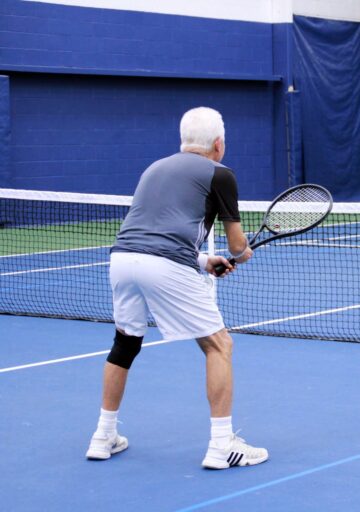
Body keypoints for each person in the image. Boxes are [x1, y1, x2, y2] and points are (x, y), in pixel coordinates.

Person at [85, 106, 268, 469]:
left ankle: (103, 435)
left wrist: (202, 261)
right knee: (219, 344)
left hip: (122, 260)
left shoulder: (154, 168)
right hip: (163, 264)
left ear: (183, 141)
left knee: (124, 344)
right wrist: (241, 253)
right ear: (219, 144)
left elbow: (151, 235)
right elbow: (236, 246)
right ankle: (221, 445)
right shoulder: (221, 174)